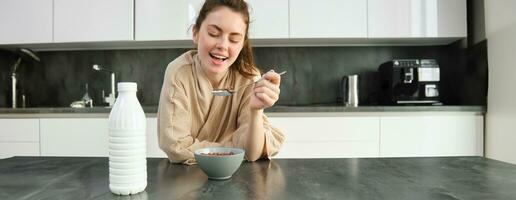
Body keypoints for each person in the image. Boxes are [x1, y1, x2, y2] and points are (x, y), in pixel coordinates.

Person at [157, 0, 284, 165]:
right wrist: (235, 148)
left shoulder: (248, 77)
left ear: (242, 44)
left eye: (234, 39)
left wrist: (255, 111)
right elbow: (175, 145)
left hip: (236, 179)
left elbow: (252, 154)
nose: (223, 45)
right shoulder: (179, 72)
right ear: (195, 33)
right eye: (213, 34)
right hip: (186, 178)